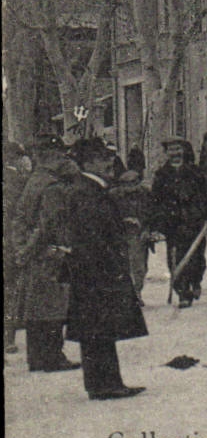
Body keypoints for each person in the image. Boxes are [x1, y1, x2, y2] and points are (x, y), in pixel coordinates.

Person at [62, 138, 148, 399]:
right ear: (87, 162)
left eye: (108, 157)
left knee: (99, 330)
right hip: (97, 271)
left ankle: (106, 382)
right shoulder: (88, 190)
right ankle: (105, 385)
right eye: (102, 158)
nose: (109, 162)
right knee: (98, 330)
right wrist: (112, 262)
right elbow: (92, 234)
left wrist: (122, 225)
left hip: (92, 270)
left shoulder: (90, 187)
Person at [15, 132, 78, 372]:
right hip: (49, 252)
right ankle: (52, 357)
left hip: (35, 251)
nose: (65, 157)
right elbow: (48, 223)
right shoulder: (52, 185)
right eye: (61, 153)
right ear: (52, 155)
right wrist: (31, 250)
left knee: (37, 305)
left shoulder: (34, 181)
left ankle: (37, 357)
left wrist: (22, 248)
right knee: (53, 306)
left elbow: (21, 218)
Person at [148, 138, 207, 307]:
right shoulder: (162, 175)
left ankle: (195, 281)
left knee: (197, 257)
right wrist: (157, 223)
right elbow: (155, 200)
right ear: (167, 153)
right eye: (171, 149)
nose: (175, 153)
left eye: (177, 149)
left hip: (194, 221)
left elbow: (205, 195)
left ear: (184, 150)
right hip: (173, 223)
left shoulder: (195, 171)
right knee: (176, 257)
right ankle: (183, 292)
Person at [107, 154, 153, 304]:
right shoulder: (113, 196)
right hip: (120, 234)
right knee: (122, 265)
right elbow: (107, 216)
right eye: (126, 185)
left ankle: (137, 291)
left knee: (140, 266)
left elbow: (152, 214)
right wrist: (123, 221)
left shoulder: (146, 194)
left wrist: (148, 229)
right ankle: (130, 295)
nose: (130, 188)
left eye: (134, 184)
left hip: (139, 235)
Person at [4, 140, 35, 354]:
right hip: (10, 241)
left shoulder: (16, 179)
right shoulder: (18, 180)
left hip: (9, 239)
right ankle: (8, 338)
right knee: (10, 290)